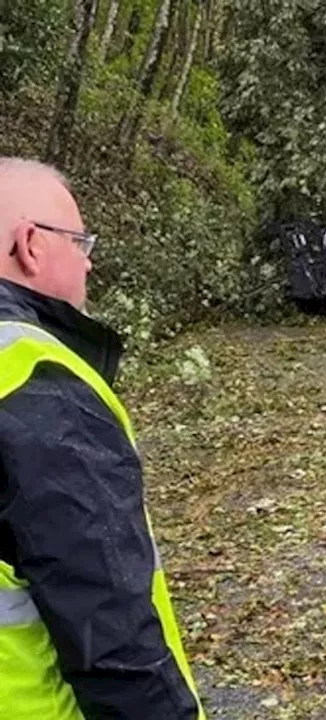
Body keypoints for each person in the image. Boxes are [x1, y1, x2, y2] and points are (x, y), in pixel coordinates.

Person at [0, 158, 204, 719]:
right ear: (31, 245)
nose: (88, 263)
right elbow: (109, 630)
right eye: (80, 242)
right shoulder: (35, 381)